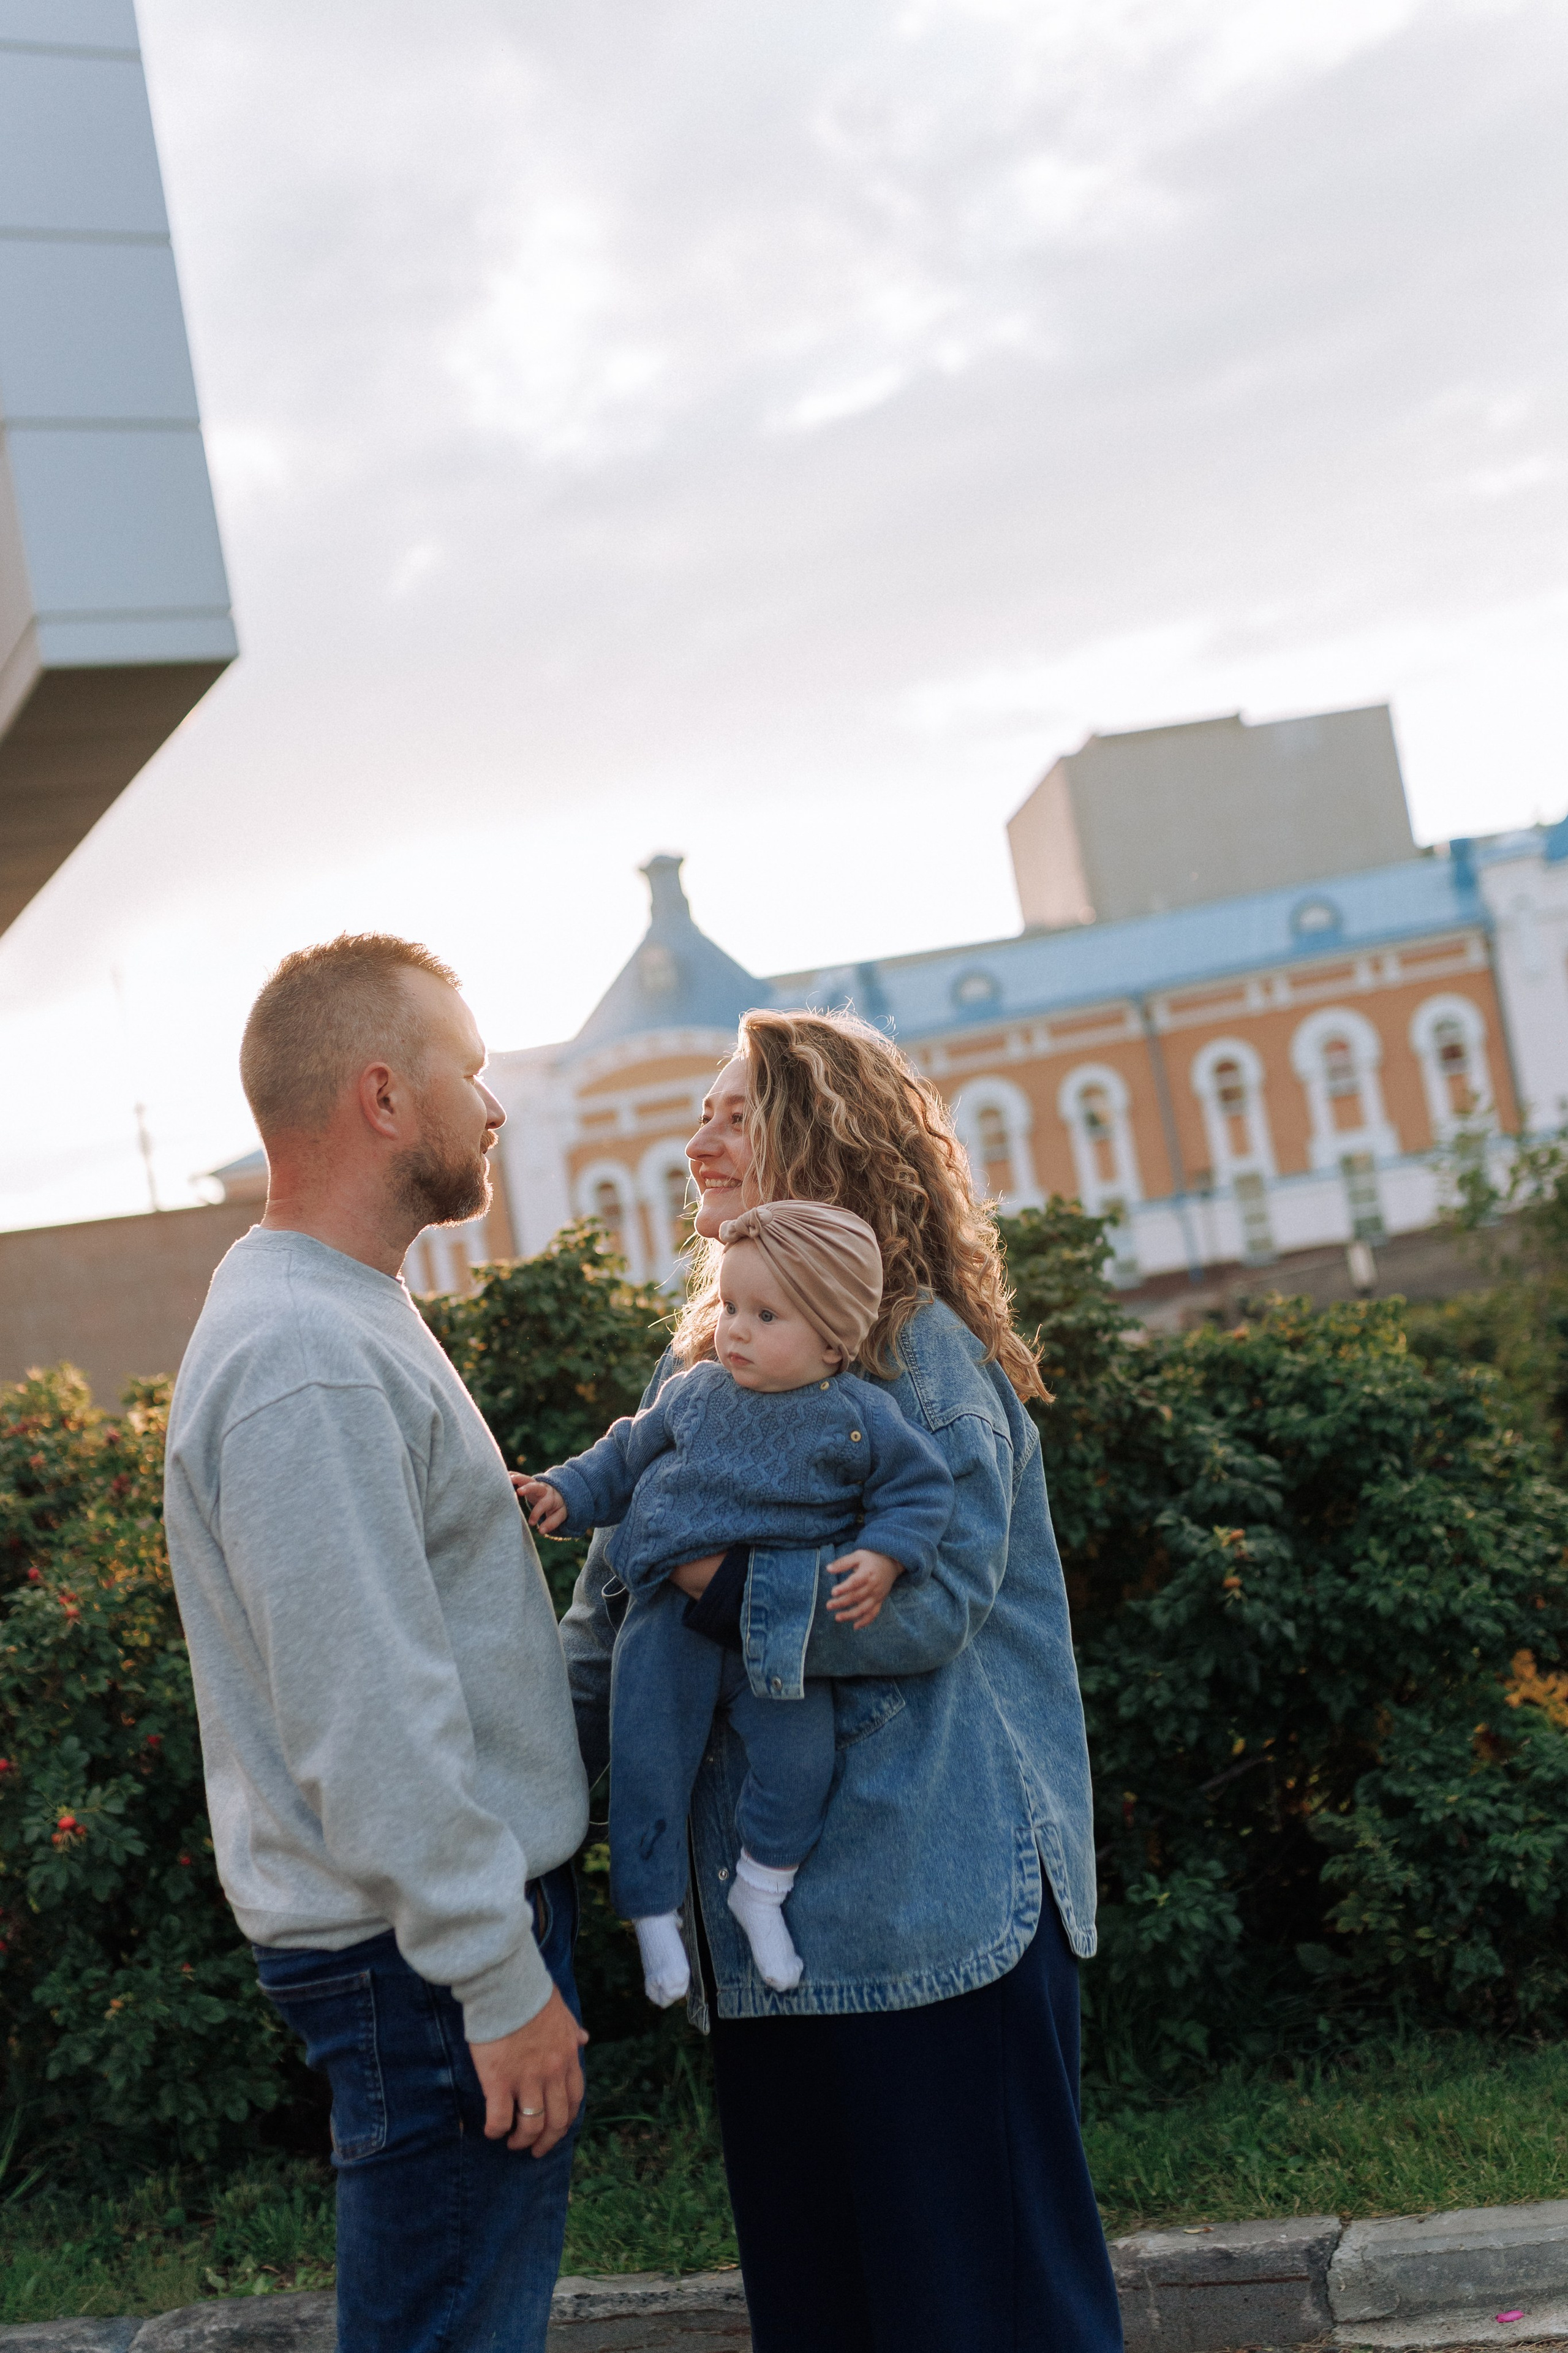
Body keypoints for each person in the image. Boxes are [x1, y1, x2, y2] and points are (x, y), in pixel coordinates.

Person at [560, 1008, 1125, 2353]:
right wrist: (502, 1802)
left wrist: (712, 1582)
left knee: (988, 2321)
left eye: (733, 1113)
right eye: (696, 1112)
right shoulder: (694, 1371)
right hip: (769, 1952)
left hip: (934, 1921)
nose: (694, 1141)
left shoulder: (919, 1351)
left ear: (823, 1141)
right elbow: (601, 1620)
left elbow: (925, 1601)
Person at [164, 935, 590, 2353]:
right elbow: (365, 1712)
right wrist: (492, 1969)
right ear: (383, 1098)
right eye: (467, 1068)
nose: (492, 1101)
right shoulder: (305, 1355)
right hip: (423, 1964)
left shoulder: (337, 1311)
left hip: (423, 1948)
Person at [518, 1200, 952, 2004]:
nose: (736, 1330)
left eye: (765, 1314)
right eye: (728, 1307)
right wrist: (563, 1493)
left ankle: (762, 1889)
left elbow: (920, 1490)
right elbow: (620, 1456)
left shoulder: (860, 1417)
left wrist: (888, 1555)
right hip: (666, 1626)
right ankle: (654, 1918)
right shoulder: (693, 1393)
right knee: (649, 1767)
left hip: (775, 1640)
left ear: (832, 1339)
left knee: (800, 1765)